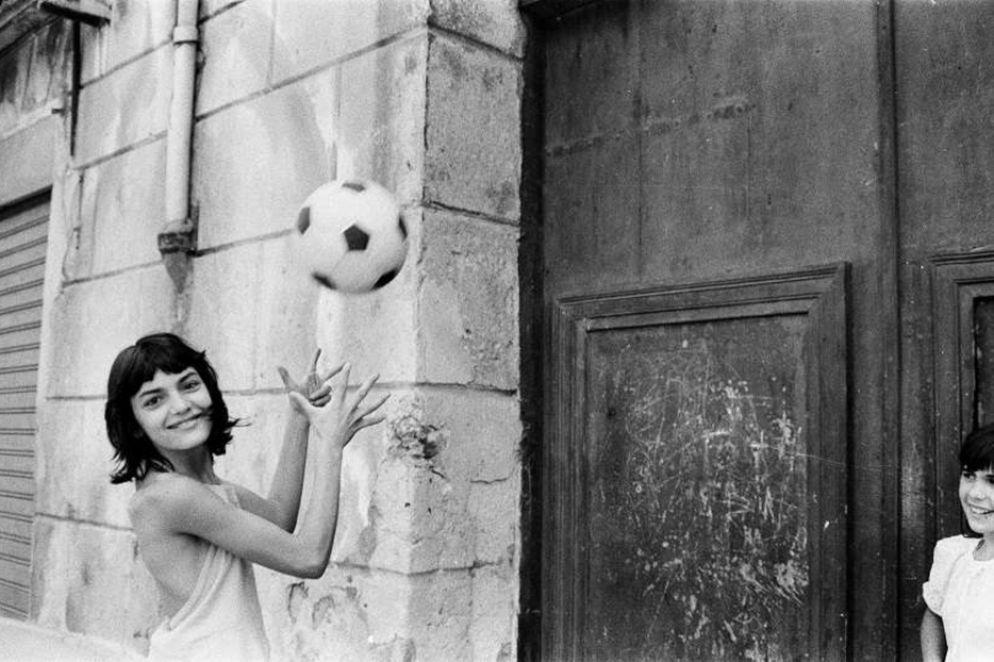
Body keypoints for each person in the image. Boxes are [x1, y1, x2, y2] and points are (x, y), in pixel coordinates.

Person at [105, 332, 386, 661]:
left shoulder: (202, 488)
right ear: (134, 424)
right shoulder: (170, 496)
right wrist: (331, 445)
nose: (180, 406)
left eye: (189, 385)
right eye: (154, 401)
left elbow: (278, 517)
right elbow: (308, 558)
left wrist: (299, 418)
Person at [921, 423, 994, 661]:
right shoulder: (953, 553)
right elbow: (935, 613)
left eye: (992, 480)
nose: (975, 493)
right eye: (968, 476)